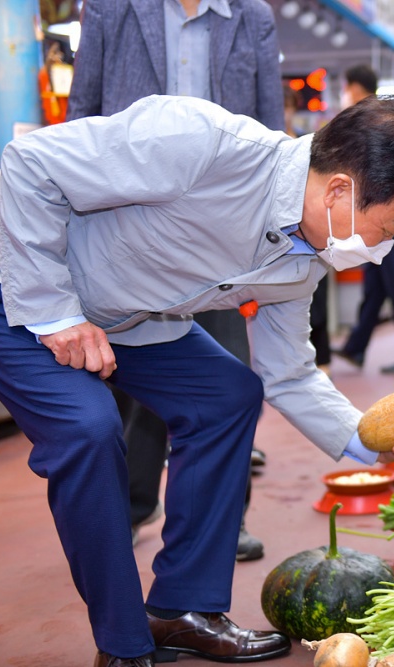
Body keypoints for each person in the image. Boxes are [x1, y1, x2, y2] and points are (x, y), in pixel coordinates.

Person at [0, 94, 394, 667]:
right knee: (87, 428)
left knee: (227, 397)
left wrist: (379, 441)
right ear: (339, 191)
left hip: (124, 316)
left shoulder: (307, 256)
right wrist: (56, 312)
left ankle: (182, 609)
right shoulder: (202, 142)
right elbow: (30, 162)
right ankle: (122, 640)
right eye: (389, 228)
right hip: (15, 281)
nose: (382, 252)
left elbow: (289, 372)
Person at [67, 0, 285, 558]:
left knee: (229, 377)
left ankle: (226, 520)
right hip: (125, 221)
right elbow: (84, 108)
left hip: (219, 228)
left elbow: (270, 124)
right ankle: (134, 507)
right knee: (132, 375)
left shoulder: (252, 16)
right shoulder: (113, 9)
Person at [333, 64, 394, 374]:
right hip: (389, 218)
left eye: (347, 88)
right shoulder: (384, 116)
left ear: (354, 88)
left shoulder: (371, 118)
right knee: (375, 288)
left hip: (390, 222)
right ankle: (356, 348)